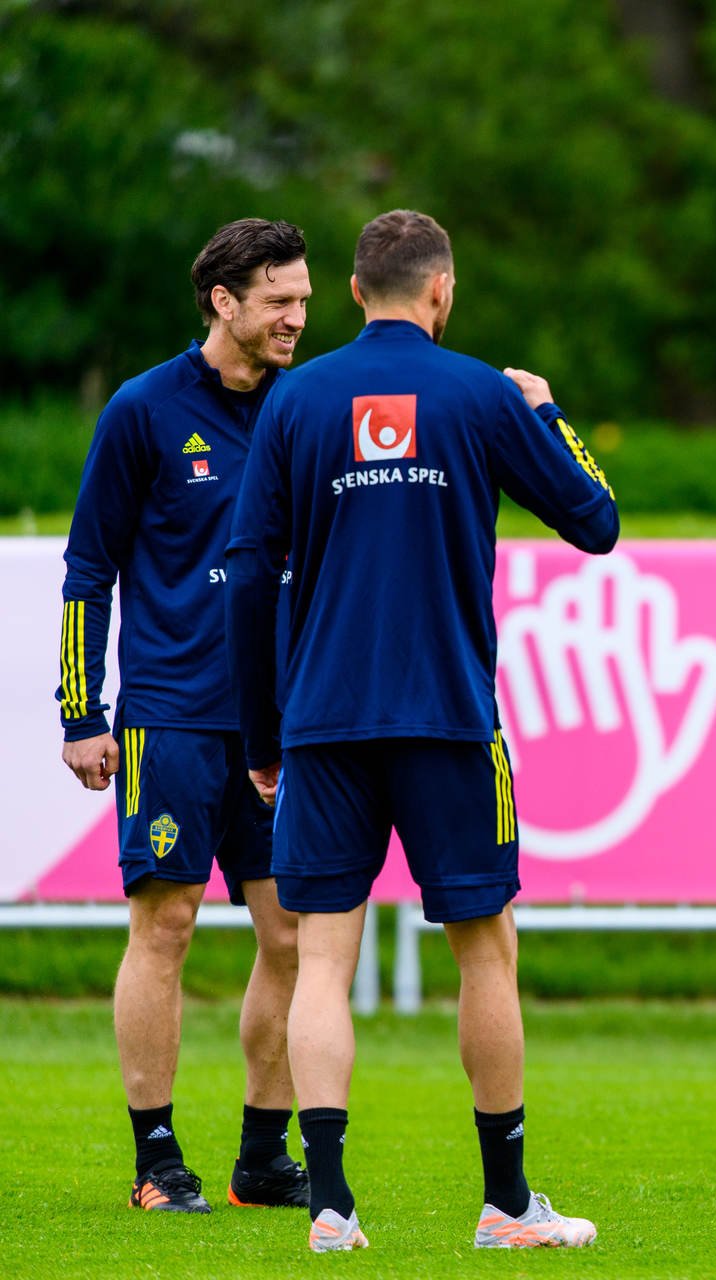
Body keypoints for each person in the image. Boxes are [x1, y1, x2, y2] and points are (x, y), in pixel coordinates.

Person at [223, 209, 618, 1252]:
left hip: (324, 722)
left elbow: (249, 575)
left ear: (354, 293)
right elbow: (596, 519)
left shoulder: (297, 398)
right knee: (486, 953)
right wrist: (549, 409)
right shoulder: (484, 393)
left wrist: (264, 733)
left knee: (319, 959)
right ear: (442, 291)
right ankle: (505, 1202)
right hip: (450, 718)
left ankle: (332, 1206)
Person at [58, 218, 313, 1215]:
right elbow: (89, 567)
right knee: (166, 924)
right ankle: (157, 1159)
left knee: (292, 933)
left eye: (304, 298)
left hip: (288, 724)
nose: (298, 316)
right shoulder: (142, 409)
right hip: (172, 713)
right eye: (279, 300)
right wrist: (83, 711)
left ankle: (262, 1156)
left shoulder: (310, 405)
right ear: (223, 301)